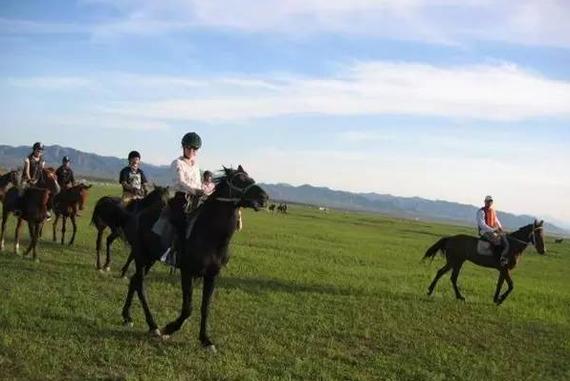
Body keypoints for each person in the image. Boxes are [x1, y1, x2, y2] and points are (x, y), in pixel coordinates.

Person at [156, 132, 204, 266]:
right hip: (181, 198)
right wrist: (194, 190)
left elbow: (198, 183)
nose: (192, 151)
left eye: (195, 149)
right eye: (189, 148)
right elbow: (180, 182)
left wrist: (202, 192)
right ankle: (170, 251)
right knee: (180, 223)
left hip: (196, 199)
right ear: (183, 147)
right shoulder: (177, 163)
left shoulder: (196, 165)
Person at [477, 195, 508, 266]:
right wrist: (493, 230)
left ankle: (502, 257)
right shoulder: (481, 211)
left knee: (504, 238)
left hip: (493, 230)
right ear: (485, 202)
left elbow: (496, 221)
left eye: (490, 201)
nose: (489, 203)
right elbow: (482, 224)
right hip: (484, 231)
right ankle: (498, 259)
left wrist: (500, 228)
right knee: (497, 241)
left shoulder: (493, 211)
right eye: (488, 201)